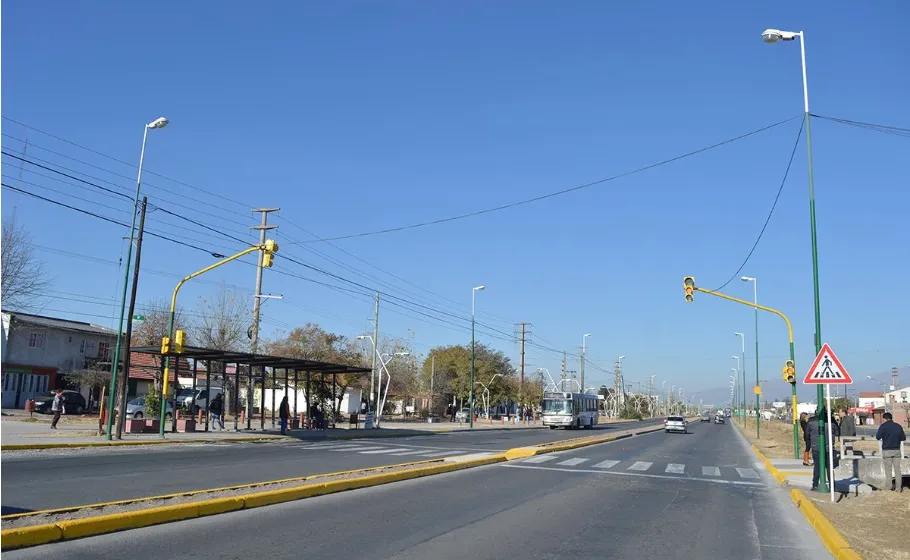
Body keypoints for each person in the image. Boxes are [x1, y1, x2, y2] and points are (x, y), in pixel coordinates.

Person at [875, 412, 906, 491]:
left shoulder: (883, 426)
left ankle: (889, 487)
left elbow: (878, 437)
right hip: (896, 450)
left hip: (887, 450)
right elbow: (903, 438)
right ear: (891, 418)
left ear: (884, 419)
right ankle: (898, 488)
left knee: (888, 469)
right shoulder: (898, 426)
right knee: (897, 470)